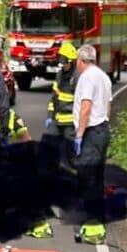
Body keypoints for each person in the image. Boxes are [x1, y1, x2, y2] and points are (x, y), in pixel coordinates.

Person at [72, 42, 114, 244]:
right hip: (102, 130)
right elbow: (108, 106)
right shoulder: (103, 76)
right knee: (97, 174)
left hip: (91, 131)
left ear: (80, 61)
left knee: (86, 174)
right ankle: (98, 214)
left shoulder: (87, 78)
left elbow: (86, 106)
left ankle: (91, 221)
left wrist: (80, 134)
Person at [46, 40, 79, 168]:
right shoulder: (59, 74)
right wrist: (49, 115)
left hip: (70, 123)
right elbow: (54, 97)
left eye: (64, 61)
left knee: (70, 156)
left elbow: (82, 102)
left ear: (71, 61)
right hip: (56, 119)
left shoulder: (78, 77)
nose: (62, 64)